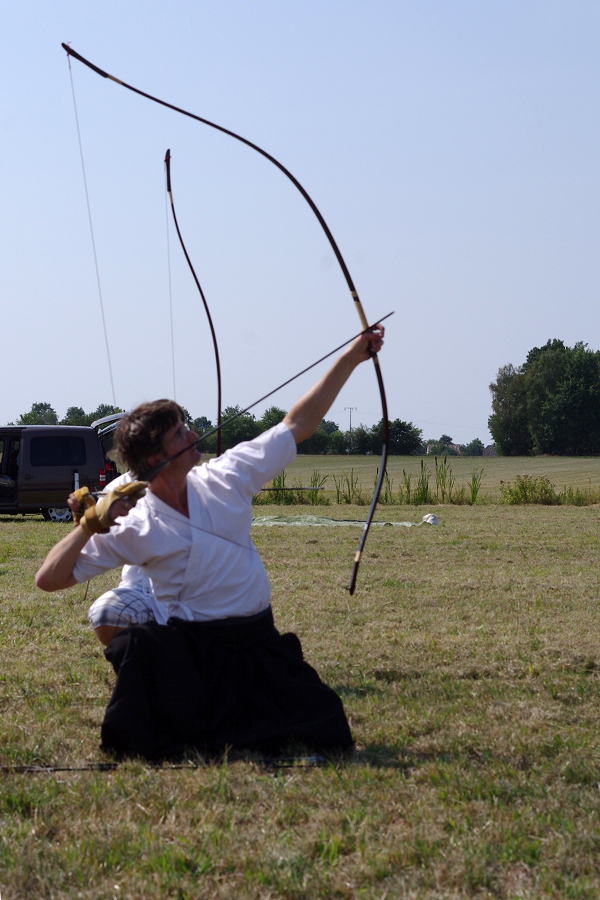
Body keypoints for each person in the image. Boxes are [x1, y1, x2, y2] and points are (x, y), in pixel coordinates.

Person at [36, 324, 384, 759]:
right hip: (193, 652)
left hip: (256, 644)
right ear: (156, 458)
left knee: (324, 720)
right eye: (180, 434)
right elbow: (49, 579)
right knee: (142, 658)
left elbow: (298, 424)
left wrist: (352, 356)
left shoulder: (228, 474)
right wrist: (87, 526)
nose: (192, 436)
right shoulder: (137, 525)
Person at [86, 470, 160, 647]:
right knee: (107, 613)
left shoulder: (200, 481)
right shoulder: (117, 487)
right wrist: (89, 519)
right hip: (143, 586)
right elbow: (99, 542)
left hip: (196, 590)